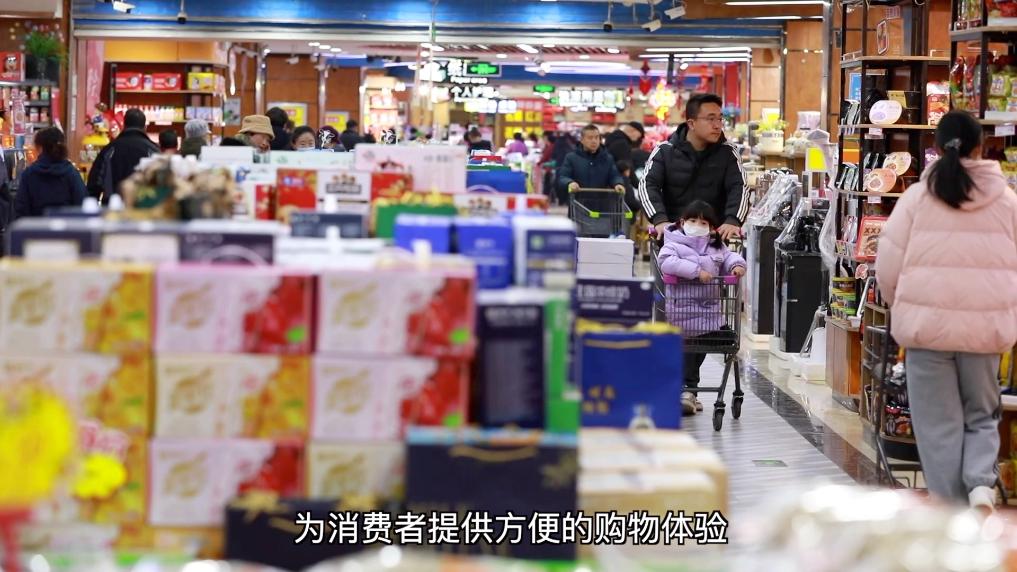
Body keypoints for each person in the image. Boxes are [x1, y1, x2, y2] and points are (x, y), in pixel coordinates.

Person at [876, 110, 1017, 511]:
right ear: (981, 147)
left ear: (936, 147)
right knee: (982, 413)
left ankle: (951, 511)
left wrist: (902, 304)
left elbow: (887, 265)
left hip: (926, 331)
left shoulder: (917, 198)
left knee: (938, 425)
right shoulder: (1007, 201)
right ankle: (979, 486)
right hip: (984, 330)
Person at [657, 200, 746, 415]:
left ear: (711, 228)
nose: (697, 225)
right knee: (691, 346)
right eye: (693, 220)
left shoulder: (715, 245)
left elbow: (728, 256)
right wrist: (697, 272)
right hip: (683, 312)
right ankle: (688, 389)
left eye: (703, 222)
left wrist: (736, 265)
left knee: (725, 341)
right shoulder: (673, 244)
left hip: (710, 313)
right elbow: (666, 262)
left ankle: (689, 391)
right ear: (682, 222)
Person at [639, 93, 748, 241]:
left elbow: (739, 187)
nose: (717, 125)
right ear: (691, 123)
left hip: (714, 238)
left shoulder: (728, 152)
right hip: (673, 236)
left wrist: (733, 220)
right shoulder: (664, 151)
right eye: (710, 119)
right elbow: (647, 185)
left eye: (720, 119)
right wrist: (659, 219)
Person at [86, 107, 159, 204]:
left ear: (124, 125)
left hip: (113, 207)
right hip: (144, 208)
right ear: (145, 127)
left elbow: (94, 183)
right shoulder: (153, 151)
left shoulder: (109, 149)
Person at [15, 127, 86, 218]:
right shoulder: (71, 173)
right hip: (67, 225)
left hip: (35, 226)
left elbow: (21, 209)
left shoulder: (29, 174)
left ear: (40, 148)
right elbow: (82, 205)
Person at [557, 124, 626, 199]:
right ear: (582, 140)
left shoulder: (608, 158)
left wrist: (618, 183)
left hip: (602, 203)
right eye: (590, 138)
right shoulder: (571, 157)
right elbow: (563, 177)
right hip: (578, 202)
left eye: (596, 137)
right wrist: (570, 183)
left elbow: (614, 176)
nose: (594, 141)